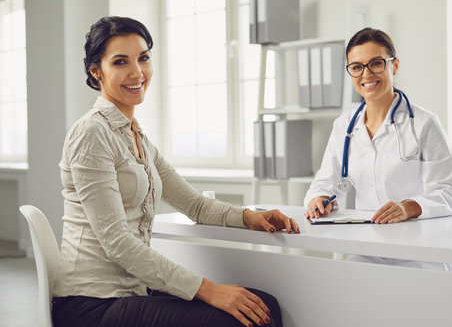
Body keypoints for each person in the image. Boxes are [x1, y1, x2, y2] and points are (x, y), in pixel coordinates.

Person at [52, 16, 299, 327]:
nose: (137, 72)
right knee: (239, 320)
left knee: (262, 307)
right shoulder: (91, 133)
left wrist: (250, 216)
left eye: (143, 58)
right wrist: (209, 290)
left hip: (133, 292)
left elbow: (195, 204)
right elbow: (117, 241)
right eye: (120, 62)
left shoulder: (135, 135)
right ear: (96, 71)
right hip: (91, 305)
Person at [304, 28, 452, 268]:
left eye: (376, 64)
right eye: (356, 67)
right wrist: (318, 199)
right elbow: (324, 182)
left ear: (394, 66)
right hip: (367, 251)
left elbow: (450, 194)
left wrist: (407, 207)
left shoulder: (424, 123)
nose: (366, 74)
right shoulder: (344, 126)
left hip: (421, 252)